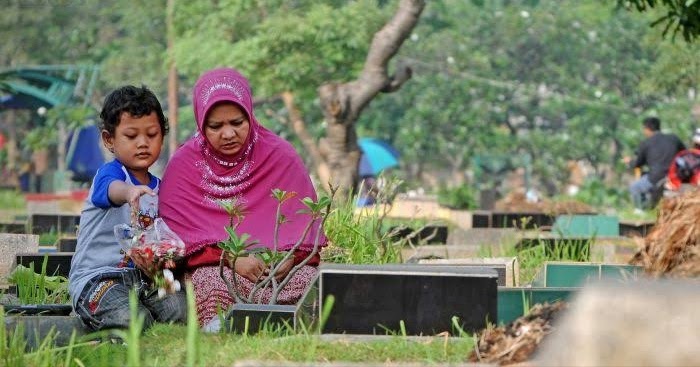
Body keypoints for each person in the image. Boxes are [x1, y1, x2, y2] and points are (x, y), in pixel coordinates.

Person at [159, 68, 325, 331]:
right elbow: (177, 241)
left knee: (310, 282)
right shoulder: (184, 166)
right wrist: (233, 260)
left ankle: (297, 326)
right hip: (220, 269)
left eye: (237, 123)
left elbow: (305, 229)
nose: (228, 134)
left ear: (250, 115)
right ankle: (221, 332)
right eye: (215, 126)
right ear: (201, 123)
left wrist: (288, 258)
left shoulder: (279, 156)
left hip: (278, 272)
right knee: (210, 283)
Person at [68, 86, 187, 331]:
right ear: (109, 140)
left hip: (149, 277)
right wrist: (129, 192)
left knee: (181, 310)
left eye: (152, 134)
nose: (143, 143)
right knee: (133, 318)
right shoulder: (110, 175)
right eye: (131, 136)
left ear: (162, 136)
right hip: (99, 278)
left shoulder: (161, 189)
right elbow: (110, 190)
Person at [624, 117, 685, 209]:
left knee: (635, 188)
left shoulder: (646, 143)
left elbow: (637, 164)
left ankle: (641, 211)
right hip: (675, 177)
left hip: (656, 178)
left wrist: (629, 161)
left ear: (647, 129)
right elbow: (685, 153)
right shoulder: (674, 139)